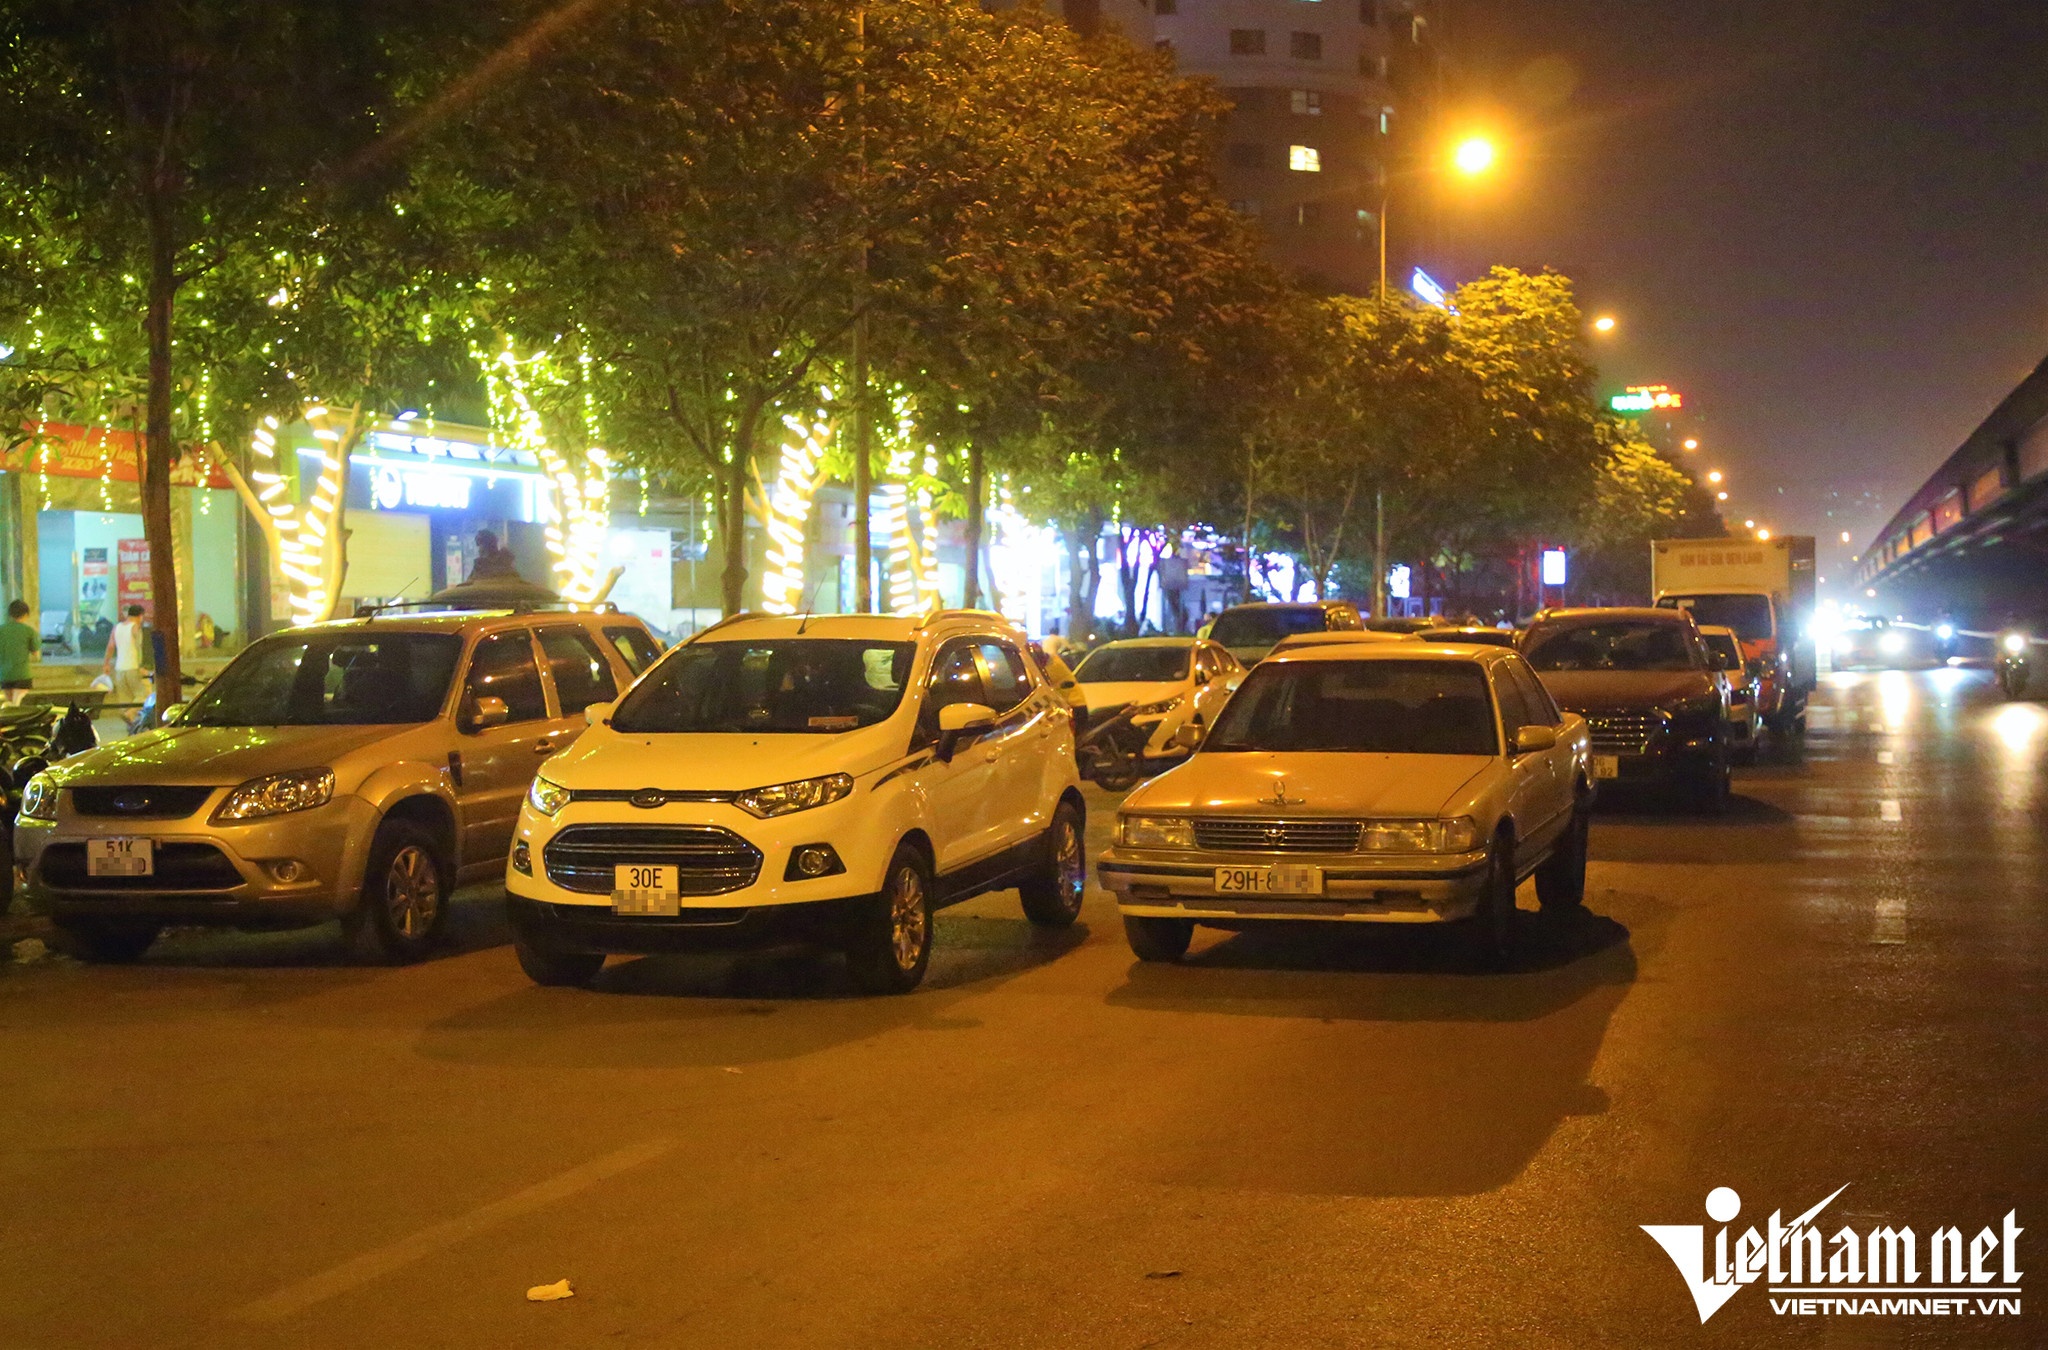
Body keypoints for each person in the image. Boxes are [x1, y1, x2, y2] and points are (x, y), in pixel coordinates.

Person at [105, 604, 149, 709]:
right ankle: (131, 714)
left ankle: (128, 717)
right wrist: (141, 666)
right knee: (143, 695)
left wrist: (106, 663)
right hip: (133, 667)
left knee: (125, 700)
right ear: (140, 616)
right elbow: (138, 647)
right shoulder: (135, 627)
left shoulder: (117, 627)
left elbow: (110, 646)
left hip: (119, 669)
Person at [0, 599, 36, 704]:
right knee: (17, 702)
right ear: (25, 614)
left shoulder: (1, 630)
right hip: (22, 673)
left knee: (10, 702)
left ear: (10, 614)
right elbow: (35, 652)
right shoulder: (29, 631)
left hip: (4, 674)